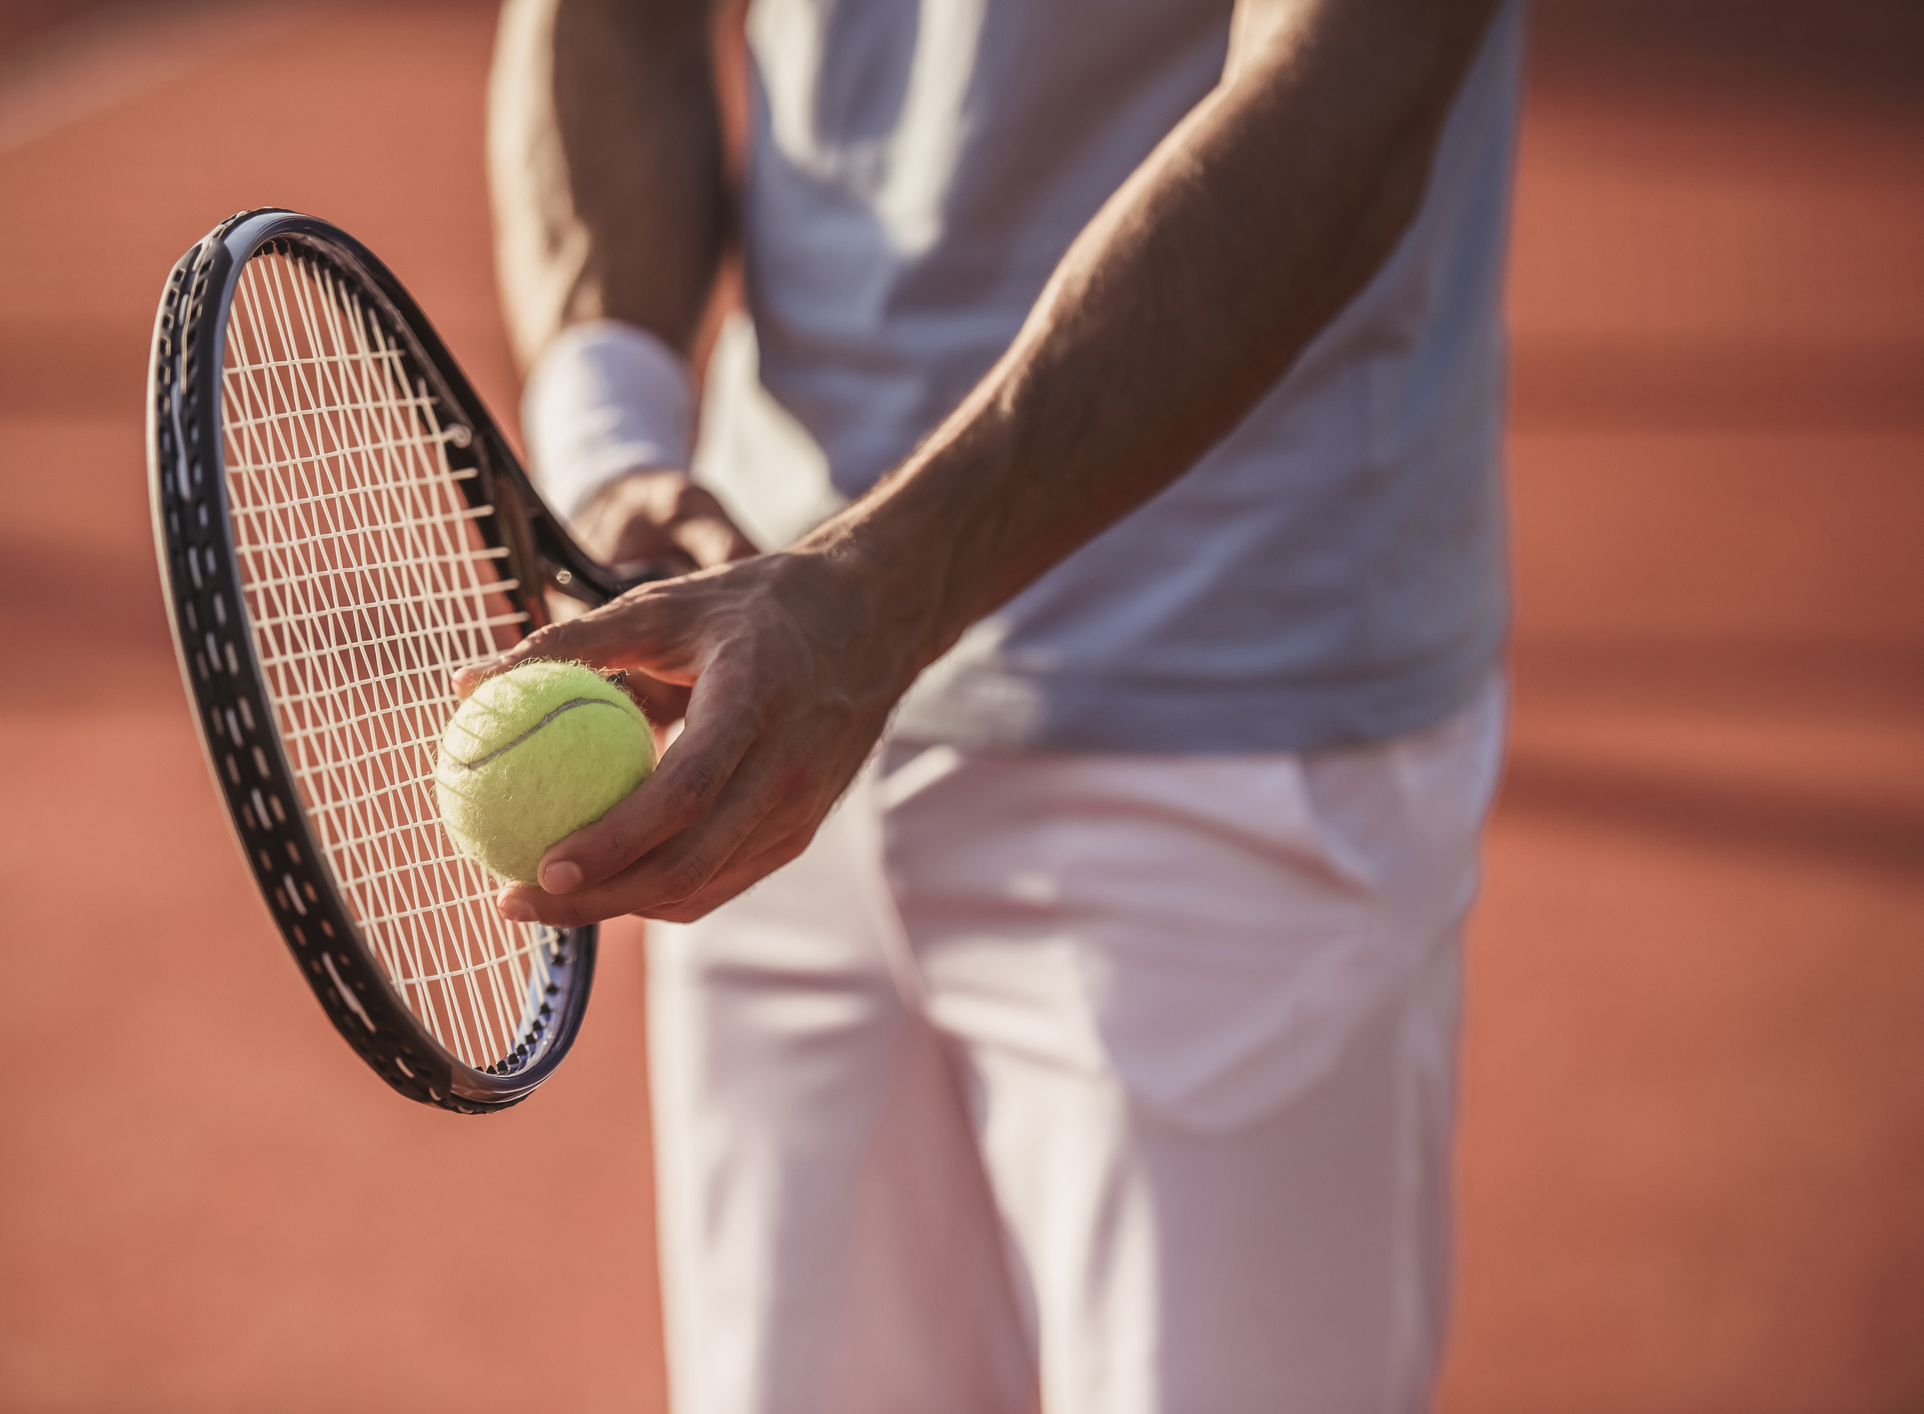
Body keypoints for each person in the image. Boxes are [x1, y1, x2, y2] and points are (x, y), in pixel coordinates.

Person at [472, 0, 1521, 1408]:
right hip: (757, 688)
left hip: (1218, 719)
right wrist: (611, 451)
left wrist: (880, 596)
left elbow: (1344, 91)